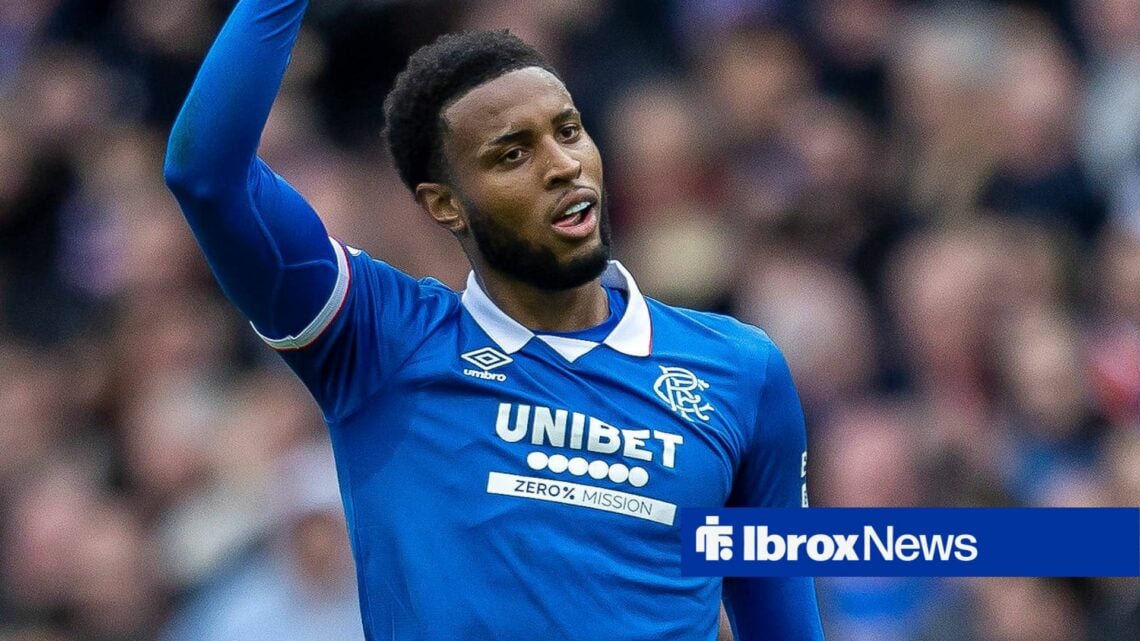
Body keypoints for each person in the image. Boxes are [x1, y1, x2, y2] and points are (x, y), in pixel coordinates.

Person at [163, 0, 825, 639]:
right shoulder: (382, 343)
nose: (563, 165)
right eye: (513, 154)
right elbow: (206, 174)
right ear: (445, 204)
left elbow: (785, 624)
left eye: (568, 131)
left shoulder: (742, 371)